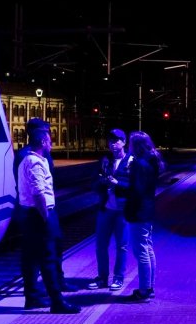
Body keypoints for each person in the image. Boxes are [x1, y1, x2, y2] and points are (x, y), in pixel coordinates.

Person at [15, 118, 80, 313]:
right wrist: (46, 217)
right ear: (43, 141)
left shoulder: (26, 157)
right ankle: (57, 302)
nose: (52, 143)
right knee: (48, 257)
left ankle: (32, 298)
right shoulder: (33, 161)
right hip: (39, 215)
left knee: (33, 257)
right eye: (49, 139)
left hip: (30, 214)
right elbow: (38, 193)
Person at [119, 130, 162, 302]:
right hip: (148, 209)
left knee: (141, 250)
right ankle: (149, 287)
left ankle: (144, 290)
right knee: (148, 248)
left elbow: (136, 190)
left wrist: (120, 186)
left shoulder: (139, 164)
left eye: (130, 143)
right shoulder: (152, 160)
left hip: (138, 211)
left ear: (135, 145)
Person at [87, 128, 129, 291]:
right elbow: (93, 184)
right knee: (100, 245)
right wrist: (102, 183)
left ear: (124, 142)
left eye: (116, 140)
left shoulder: (131, 162)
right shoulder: (105, 161)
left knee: (122, 246)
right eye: (110, 140)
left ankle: (118, 278)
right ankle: (102, 278)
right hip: (106, 209)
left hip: (122, 211)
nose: (112, 144)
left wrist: (117, 184)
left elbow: (135, 186)